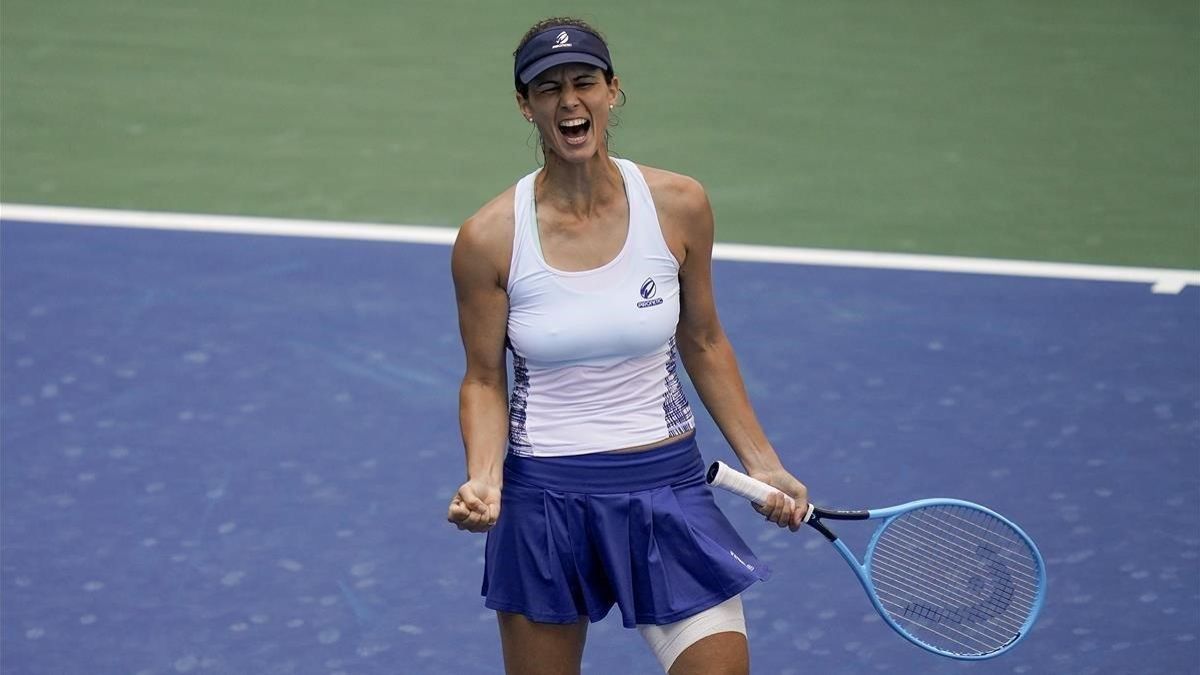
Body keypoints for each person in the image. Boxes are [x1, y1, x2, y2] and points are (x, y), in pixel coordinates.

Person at [447, 17, 809, 675]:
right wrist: (483, 476)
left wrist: (764, 462)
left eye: (584, 81)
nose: (569, 101)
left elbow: (702, 339)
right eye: (548, 88)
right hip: (544, 501)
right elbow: (482, 378)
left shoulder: (679, 205)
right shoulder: (489, 238)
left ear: (614, 90)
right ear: (525, 106)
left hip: (665, 486)